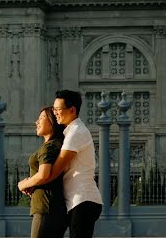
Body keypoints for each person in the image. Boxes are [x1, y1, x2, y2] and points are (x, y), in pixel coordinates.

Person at [42, 90, 103, 238]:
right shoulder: (69, 132)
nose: (55, 113)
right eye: (54, 109)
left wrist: (30, 183)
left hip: (83, 199)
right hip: (76, 201)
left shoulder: (76, 132)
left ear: (72, 110)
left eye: (58, 109)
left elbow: (55, 171)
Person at [17, 107, 67, 238]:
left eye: (41, 118)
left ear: (52, 122)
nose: (36, 122)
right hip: (54, 208)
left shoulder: (49, 147)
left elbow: (44, 174)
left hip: (46, 207)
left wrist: (23, 184)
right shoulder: (57, 144)